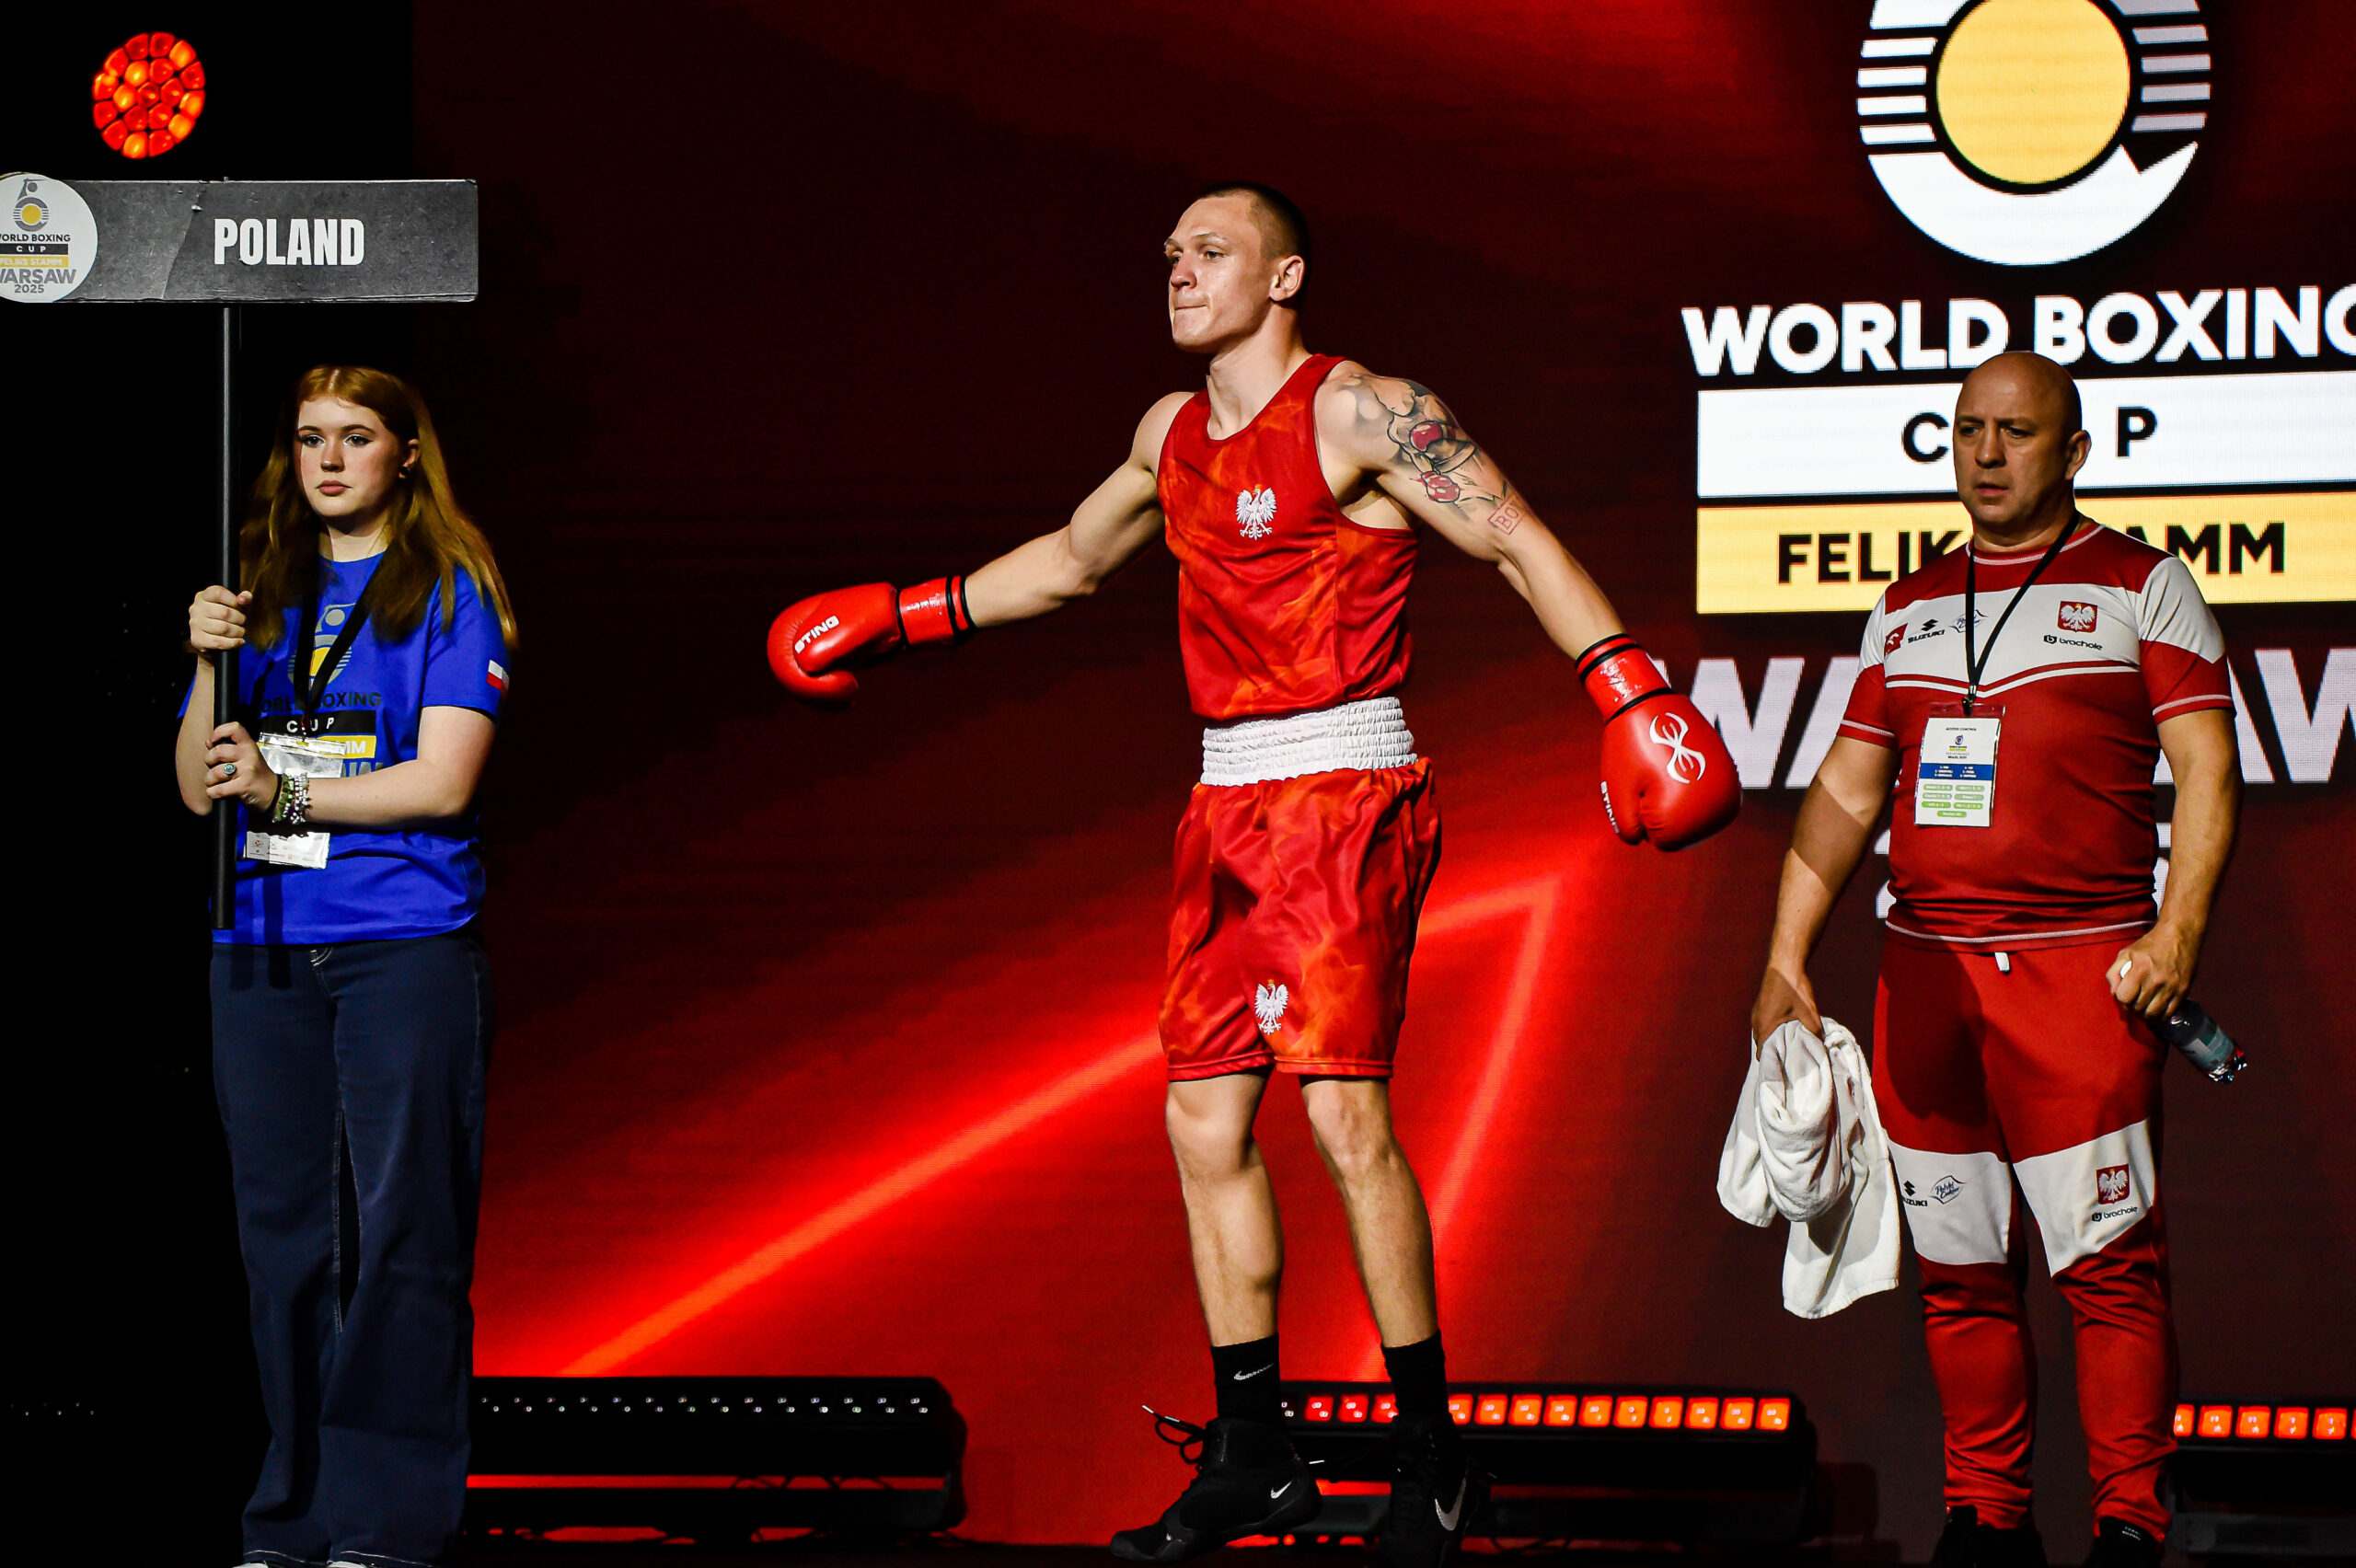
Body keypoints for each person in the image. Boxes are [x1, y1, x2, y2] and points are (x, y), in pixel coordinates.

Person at [768, 183, 1740, 1567]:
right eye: (1170, 253)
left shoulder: (1364, 410)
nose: (1179, 271)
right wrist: (903, 615)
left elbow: (1513, 534)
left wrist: (1626, 690)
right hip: (1224, 805)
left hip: (1344, 791)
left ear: (1284, 277)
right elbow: (1072, 561)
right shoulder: (1168, 433)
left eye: (1211, 251)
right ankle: (1253, 1455)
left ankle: (1435, 1462)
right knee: (1203, 1123)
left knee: (1344, 1117)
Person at [1749, 352, 2239, 1568]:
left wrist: (2177, 932)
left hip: (2080, 978)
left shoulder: (2142, 584)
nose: (1985, 452)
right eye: (1968, 428)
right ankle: (1986, 1520)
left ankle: (2129, 1525)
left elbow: (2208, 770)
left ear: (2074, 452)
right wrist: (1783, 959)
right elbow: (1846, 791)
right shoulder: (1910, 602)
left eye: (2016, 432)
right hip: (1927, 979)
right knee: (1959, 1272)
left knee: (2108, 1272)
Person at [178, 365, 516, 1568]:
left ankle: (386, 1522)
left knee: (400, 1232)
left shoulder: (449, 586)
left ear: (404, 453)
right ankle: (297, 1515)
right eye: (310, 437)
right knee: (285, 1243)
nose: (329, 460)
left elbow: (445, 781)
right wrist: (208, 662)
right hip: (259, 945)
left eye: (356, 436)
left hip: (401, 943)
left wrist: (289, 791)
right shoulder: (259, 587)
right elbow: (198, 790)